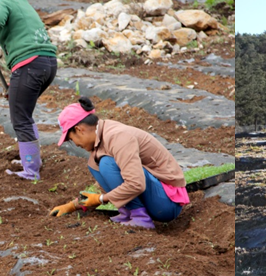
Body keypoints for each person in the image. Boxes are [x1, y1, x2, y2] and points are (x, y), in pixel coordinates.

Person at [47, 97, 189, 229]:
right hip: (155, 197)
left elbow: (135, 183)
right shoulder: (101, 143)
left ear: (79, 130)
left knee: (106, 164)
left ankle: (140, 217)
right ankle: (127, 212)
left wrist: (101, 199)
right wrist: (73, 205)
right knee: (95, 164)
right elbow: (108, 185)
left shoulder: (118, 137)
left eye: (71, 139)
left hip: (168, 202)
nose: (75, 144)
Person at [0, 0, 58, 180]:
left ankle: (31, 170)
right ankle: (31, 161)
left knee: (20, 117)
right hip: (47, 63)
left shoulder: (2, 1)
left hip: (29, 64)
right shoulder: (21, 1)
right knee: (24, 112)